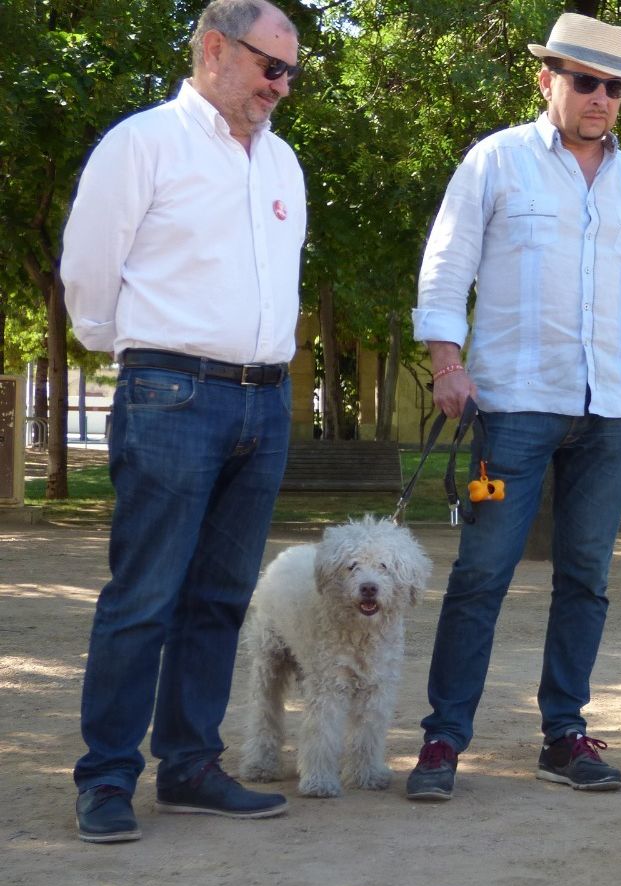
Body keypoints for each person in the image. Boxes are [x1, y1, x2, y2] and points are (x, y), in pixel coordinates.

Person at [406, 12, 621, 800]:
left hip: (608, 412)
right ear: (549, 81)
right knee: (482, 574)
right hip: (513, 407)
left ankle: (564, 734)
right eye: (586, 81)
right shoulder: (497, 162)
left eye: (615, 86)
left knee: (587, 579)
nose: (602, 97)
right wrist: (446, 363)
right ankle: (442, 741)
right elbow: (446, 264)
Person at [59, 0, 305, 843]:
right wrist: (132, 354)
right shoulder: (143, 143)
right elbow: (89, 272)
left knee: (221, 598)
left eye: (291, 72)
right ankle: (106, 779)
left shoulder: (283, 166)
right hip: (171, 393)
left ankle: (192, 766)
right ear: (212, 48)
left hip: (265, 400)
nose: (281, 84)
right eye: (269, 65)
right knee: (145, 596)